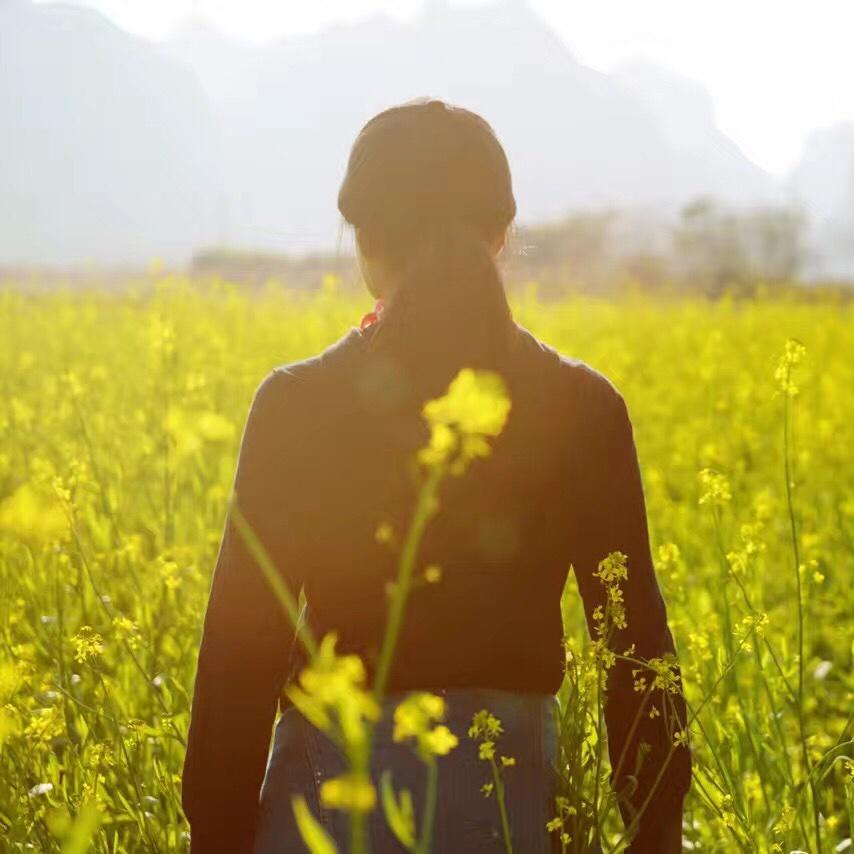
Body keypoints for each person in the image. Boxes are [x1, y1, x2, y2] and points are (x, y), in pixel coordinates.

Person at [182, 98, 691, 853]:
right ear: (501, 233)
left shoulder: (296, 404)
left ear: (364, 239)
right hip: (507, 821)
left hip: (323, 819)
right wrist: (655, 837)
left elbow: (238, 657)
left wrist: (217, 837)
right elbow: (635, 655)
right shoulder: (583, 406)